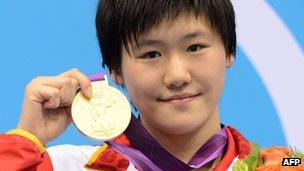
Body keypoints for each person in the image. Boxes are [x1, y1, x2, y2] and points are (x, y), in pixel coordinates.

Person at [0, 0, 252, 170]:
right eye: (151, 54)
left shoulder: (284, 164)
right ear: (115, 70)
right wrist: (25, 143)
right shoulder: (66, 166)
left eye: (194, 47)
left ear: (229, 50)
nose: (177, 75)